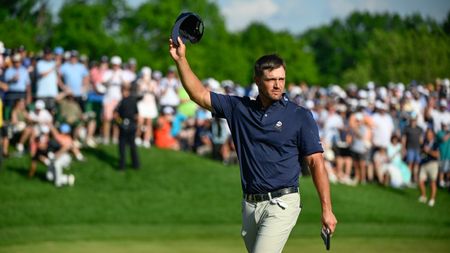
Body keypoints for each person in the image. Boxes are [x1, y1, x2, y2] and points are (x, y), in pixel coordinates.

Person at [169, 37, 336, 253]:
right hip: (250, 206)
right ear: (257, 80)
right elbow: (198, 94)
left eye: (281, 79)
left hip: (282, 202)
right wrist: (181, 59)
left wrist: (327, 209)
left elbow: (316, 162)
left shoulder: (299, 115)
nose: (278, 85)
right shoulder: (239, 108)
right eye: (271, 79)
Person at [114, 85, 140, 170]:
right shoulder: (134, 101)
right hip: (132, 125)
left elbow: (115, 115)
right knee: (132, 146)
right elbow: (136, 115)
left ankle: (122, 166)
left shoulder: (121, 102)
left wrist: (119, 123)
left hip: (124, 125)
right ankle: (136, 165)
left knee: (122, 146)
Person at [418, 128, 440, 207]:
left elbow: (437, 155)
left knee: (432, 182)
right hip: (424, 163)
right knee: (420, 181)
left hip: (432, 164)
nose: (427, 136)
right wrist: (422, 150)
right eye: (427, 134)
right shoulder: (425, 142)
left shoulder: (435, 143)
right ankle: (423, 196)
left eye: (429, 134)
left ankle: (432, 199)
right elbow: (422, 151)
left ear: (432, 135)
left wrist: (428, 151)